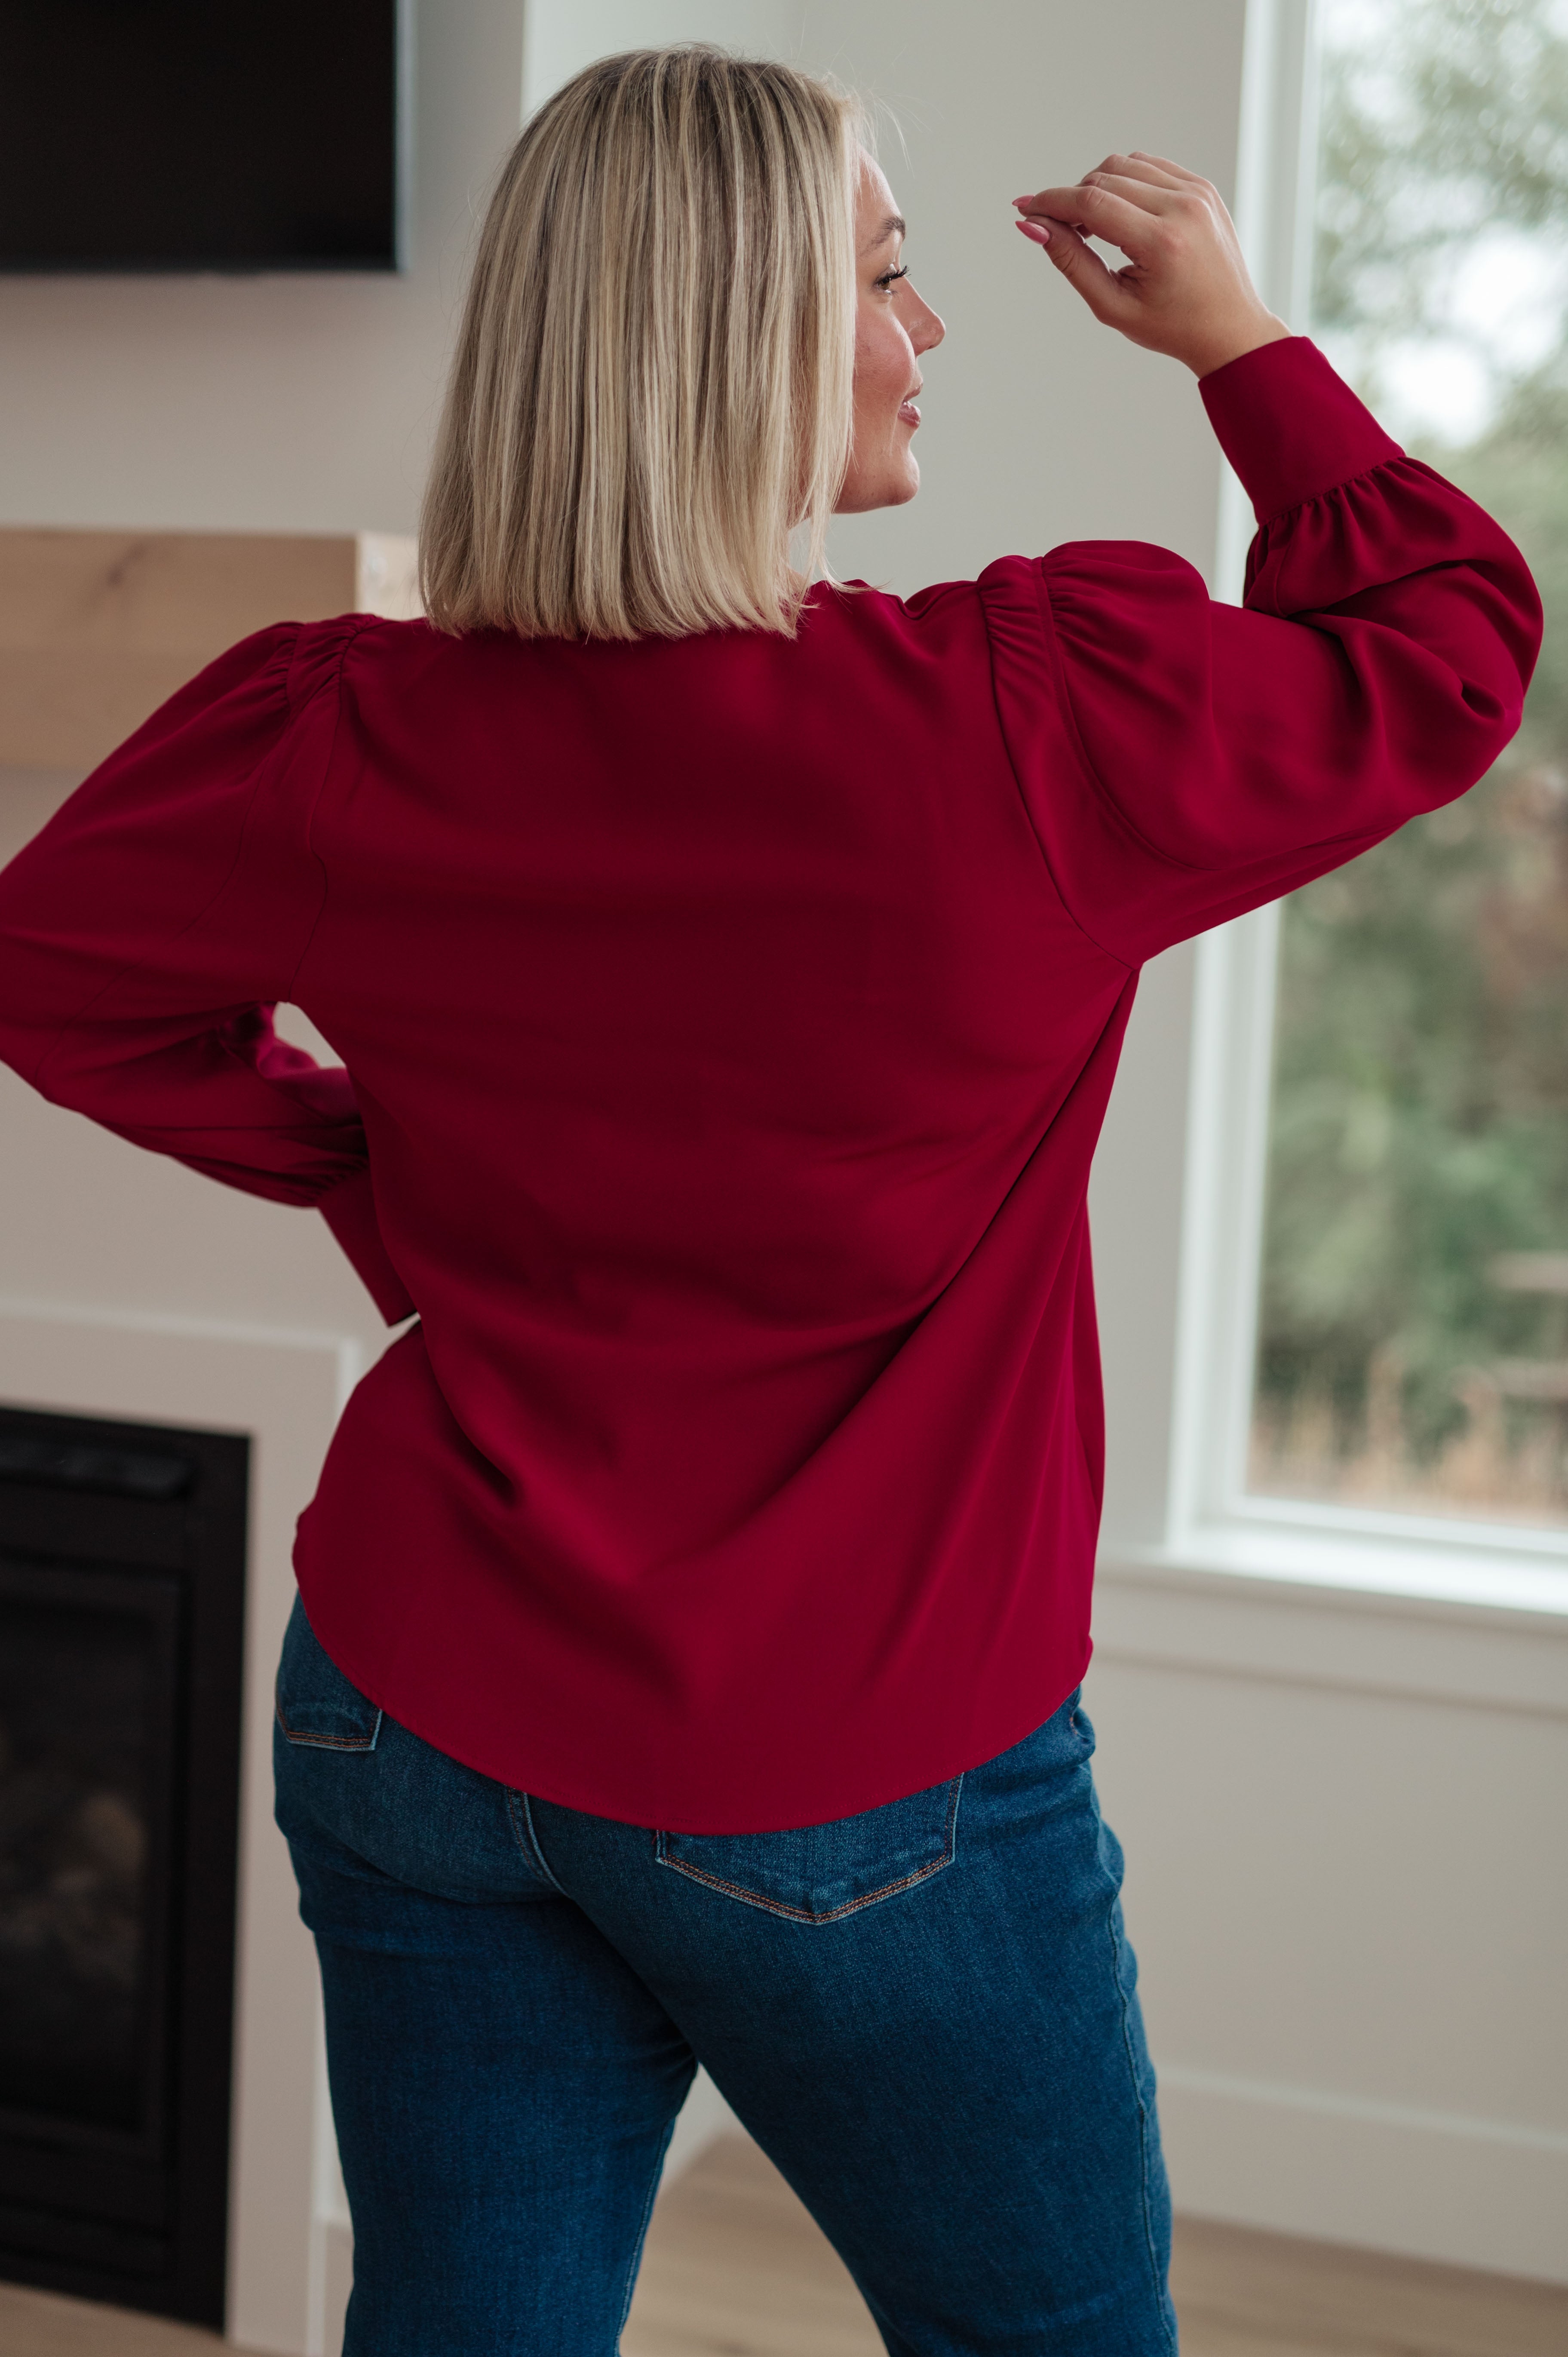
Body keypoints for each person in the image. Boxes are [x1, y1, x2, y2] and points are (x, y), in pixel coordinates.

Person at [0, 45, 1539, 2357]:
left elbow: (56, 984)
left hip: (417, 1714)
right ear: (727, 343)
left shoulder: (326, 731)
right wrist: (1242, 349)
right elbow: (1448, 644)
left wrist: (361, 1170)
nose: (931, 339)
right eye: (895, 284)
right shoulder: (1033, 725)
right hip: (860, 1772)